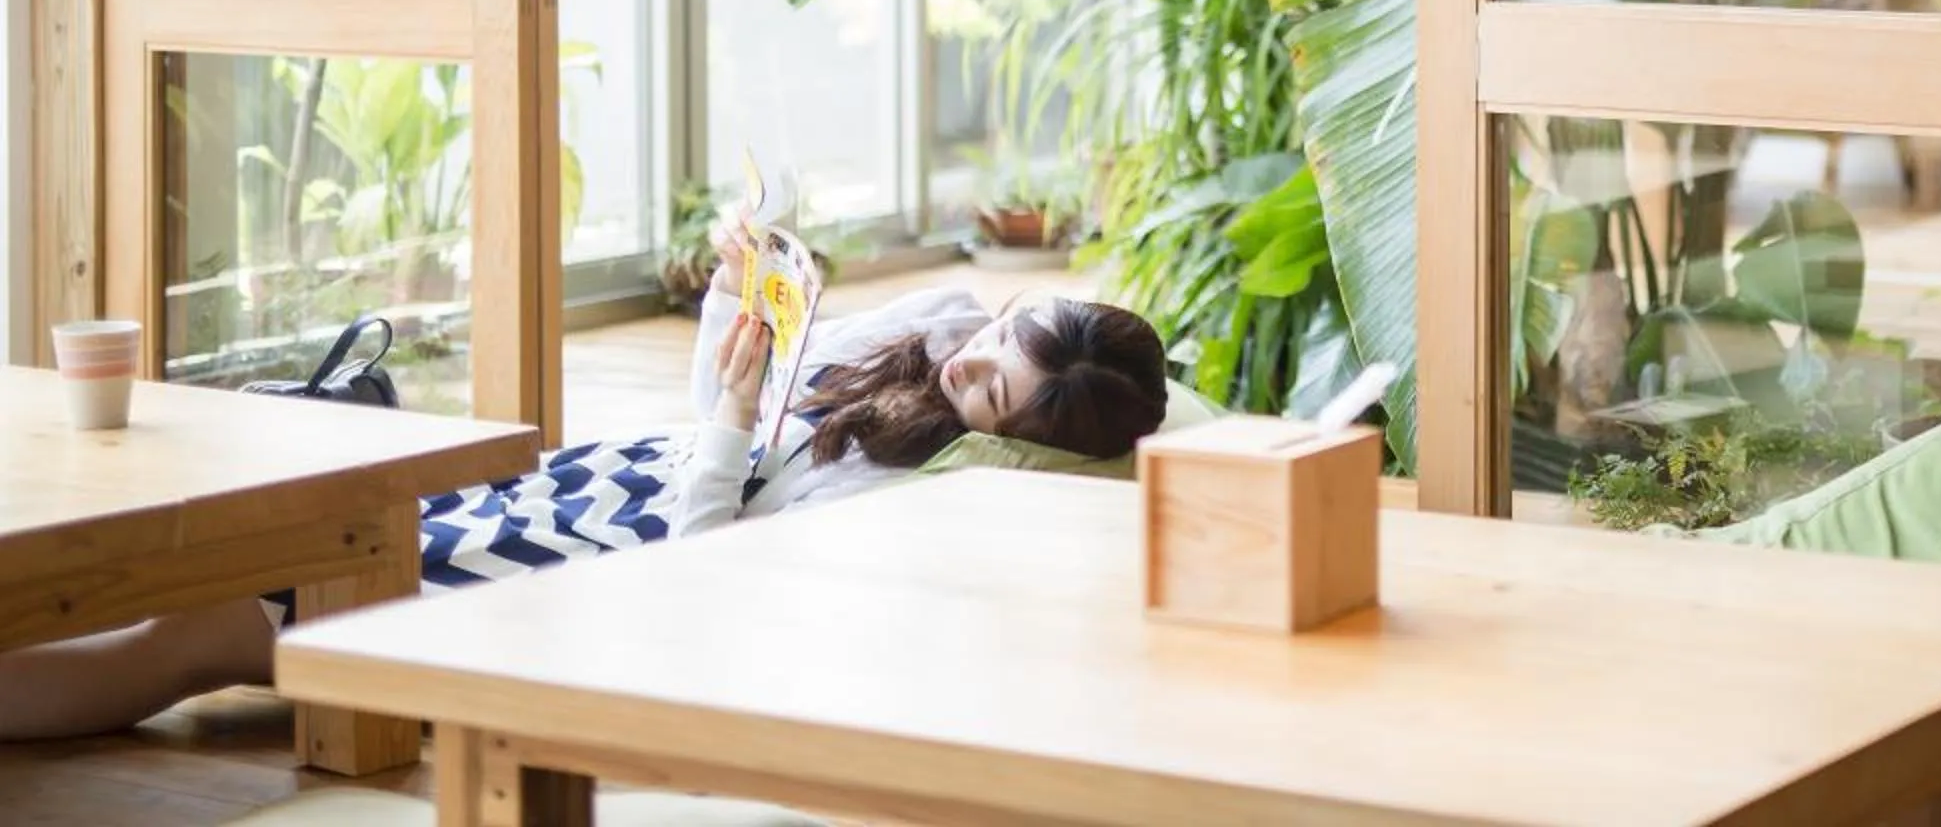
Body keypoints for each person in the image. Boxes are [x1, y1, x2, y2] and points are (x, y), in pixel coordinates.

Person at [0, 215, 1167, 742]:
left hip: (602, 578)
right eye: (999, 335)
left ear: (1019, 439)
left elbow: (712, 568)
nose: (966, 357)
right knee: (231, 561)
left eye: (989, 390)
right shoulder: (950, 328)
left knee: (203, 625)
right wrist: (747, 286)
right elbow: (777, 356)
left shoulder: (921, 494)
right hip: (583, 490)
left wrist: (735, 413)